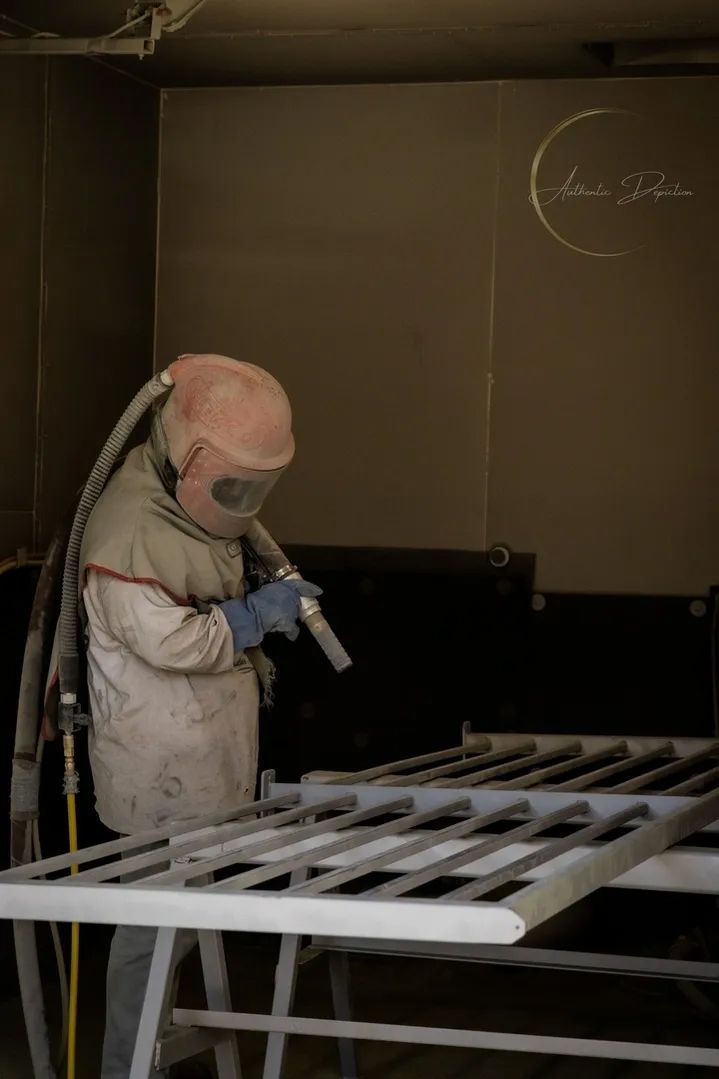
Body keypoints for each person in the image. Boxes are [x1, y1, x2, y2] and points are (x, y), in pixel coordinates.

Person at [78, 353, 320, 1078]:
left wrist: (255, 595)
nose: (244, 497)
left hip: (201, 759)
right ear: (195, 459)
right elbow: (175, 639)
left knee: (183, 918)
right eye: (235, 481)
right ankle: (128, 1063)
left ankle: (152, 1047)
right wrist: (251, 616)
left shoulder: (191, 502)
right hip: (159, 769)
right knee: (152, 926)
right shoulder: (127, 531)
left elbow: (224, 534)